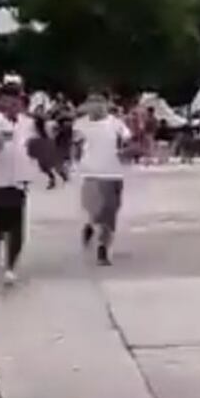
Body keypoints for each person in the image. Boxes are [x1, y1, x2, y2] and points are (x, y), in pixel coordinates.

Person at [0, 84, 37, 285]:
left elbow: (35, 147)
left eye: (16, 100)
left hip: (20, 178)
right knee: (1, 221)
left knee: (17, 224)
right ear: (0, 102)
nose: (13, 104)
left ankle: (11, 266)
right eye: (7, 100)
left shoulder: (28, 123)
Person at [73, 92, 132, 267]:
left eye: (100, 104)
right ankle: (97, 236)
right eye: (92, 104)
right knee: (97, 211)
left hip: (114, 173)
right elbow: (75, 147)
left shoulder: (116, 123)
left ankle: (102, 243)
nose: (97, 108)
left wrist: (126, 152)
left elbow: (127, 141)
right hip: (91, 173)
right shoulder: (80, 125)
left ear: (106, 105)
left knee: (111, 213)